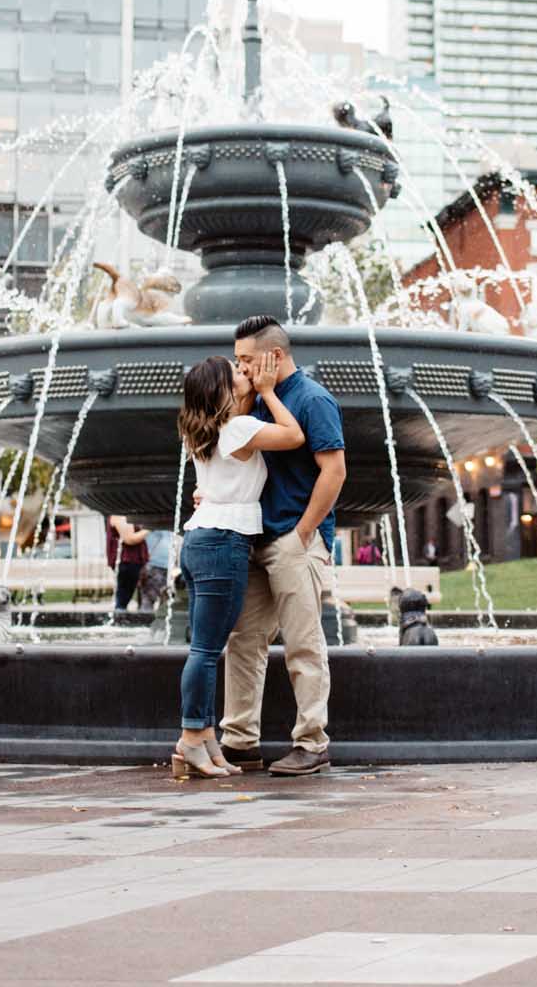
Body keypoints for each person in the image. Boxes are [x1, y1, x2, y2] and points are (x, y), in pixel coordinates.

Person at [219, 315, 346, 777]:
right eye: (239, 361)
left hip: (294, 539)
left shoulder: (312, 399)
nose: (242, 368)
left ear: (275, 356)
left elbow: (335, 472)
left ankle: (312, 742)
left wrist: (304, 534)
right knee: (243, 642)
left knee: (303, 644)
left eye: (247, 360)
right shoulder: (251, 402)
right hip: (253, 538)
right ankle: (239, 741)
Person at [170, 350, 303, 779]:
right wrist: (267, 390)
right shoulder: (239, 428)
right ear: (221, 391)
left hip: (202, 539)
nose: (243, 373)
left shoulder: (208, 430)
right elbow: (293, 435)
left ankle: (206, 740)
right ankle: (191, 739)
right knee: (206, 651)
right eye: (235, 374)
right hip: (223, 542)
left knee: (207, 649)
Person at [107, 516, 148, 610]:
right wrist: (150, 529)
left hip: (131, 560)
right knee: (123, 596)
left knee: (125, 594)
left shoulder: (125, 514)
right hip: (127, 560)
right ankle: (118, 619)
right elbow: (130, 539)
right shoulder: (119, 515)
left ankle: (119, 617)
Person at [139, 526, 173, 611]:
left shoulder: (169, 524)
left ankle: (159, 621)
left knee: (165, 597)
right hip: (153, 564)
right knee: (149, 598)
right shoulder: (150, 523)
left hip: (166, 565)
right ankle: (145, 621)